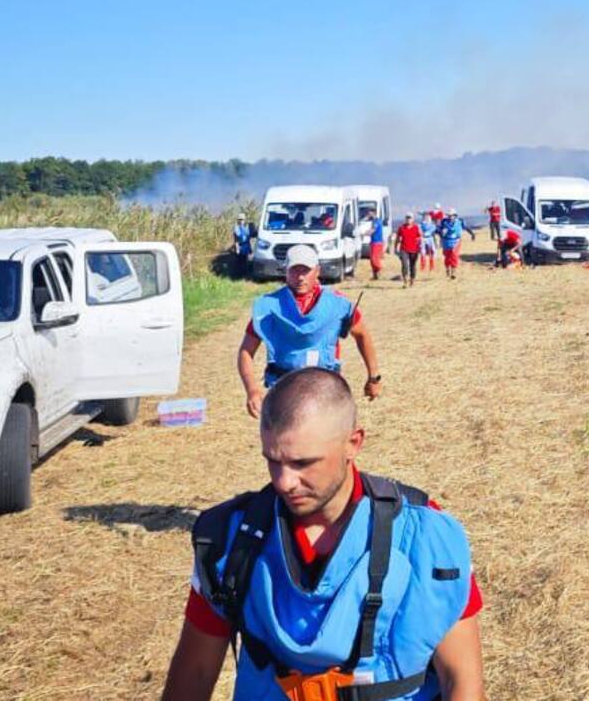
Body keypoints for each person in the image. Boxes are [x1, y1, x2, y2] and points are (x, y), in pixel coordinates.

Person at [161, 368, 487, 701]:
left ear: (353, 443)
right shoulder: (230, 542)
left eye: (302, 463)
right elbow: (196, 672)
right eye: (273, 460)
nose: (283, 481)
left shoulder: (425, 536)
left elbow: (461, 679)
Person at [236, 245, 382, 418]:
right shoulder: (269, 306)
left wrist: (373, 377)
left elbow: (362, 335)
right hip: (284, 389)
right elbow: (246, 351)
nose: (300, 277)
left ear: (317, 271)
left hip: (326, 389)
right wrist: (252, 390)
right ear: (286, 271)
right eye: (294, 270)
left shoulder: (337, 304)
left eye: (306, 270)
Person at [438, 208, 476, 281]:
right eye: (449, 216)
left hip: (456, 241)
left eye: (451, 216)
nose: (450, 217)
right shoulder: (444, 222)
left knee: (454, 255)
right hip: (446, 241)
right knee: (447, 257)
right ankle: (447, 269)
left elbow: (466, 227)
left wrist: (472, 234)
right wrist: (441, 233)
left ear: (455, 216)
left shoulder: (460, 221)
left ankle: (453, 272)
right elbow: (438, 230)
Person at [392, 213, 423, 288]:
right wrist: (395, 248)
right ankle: (405, 281)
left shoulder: (416, 227)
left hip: (414, 250)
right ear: (405, 219)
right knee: (405, 265)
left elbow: (420, 238)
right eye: (407, 218)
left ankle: (412, 280)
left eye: (410, 218)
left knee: (413, 265)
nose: (408, 220)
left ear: (413, 219)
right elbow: (397, 238)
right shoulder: (401, 228)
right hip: (404, 249)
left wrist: (421, 248)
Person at [368, 214, 387, 281]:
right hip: (373, 242)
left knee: (374, 258)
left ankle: (379, 270)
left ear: (372, 213)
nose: (368, 215)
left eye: (369, 213)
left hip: (377, 242)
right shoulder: (374, 221)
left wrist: (364, 233)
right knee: (372, 260)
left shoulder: (377, 221)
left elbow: (373, 230)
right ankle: (375, 275)